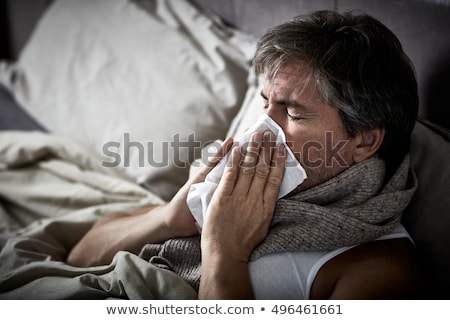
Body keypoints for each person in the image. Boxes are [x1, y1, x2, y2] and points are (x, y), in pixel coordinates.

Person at [67, 10, 420, 299]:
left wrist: (225, 250)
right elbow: (79, 257)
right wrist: (171, 217)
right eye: (264, 103)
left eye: (293, 113)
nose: (259, 130)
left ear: (364, 142)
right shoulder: (226, 193)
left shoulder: (379, 270)